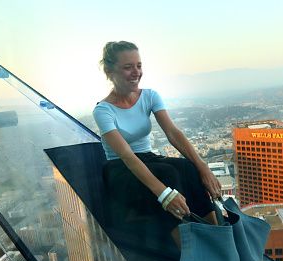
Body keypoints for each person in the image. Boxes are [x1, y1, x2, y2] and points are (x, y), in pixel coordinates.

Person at [93, 41, 222, 249]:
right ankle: (190, 253)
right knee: (168, 176)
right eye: (128, 67)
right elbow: (127, 156)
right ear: (109, 71)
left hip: (148, 158)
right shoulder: (103, 111)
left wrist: (203, 167)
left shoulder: (150, 96)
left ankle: (217, 239)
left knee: (188, 169)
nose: (136, 72)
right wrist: (164, 193)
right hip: (121, 169)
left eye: (138, 65)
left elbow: (173, 133)